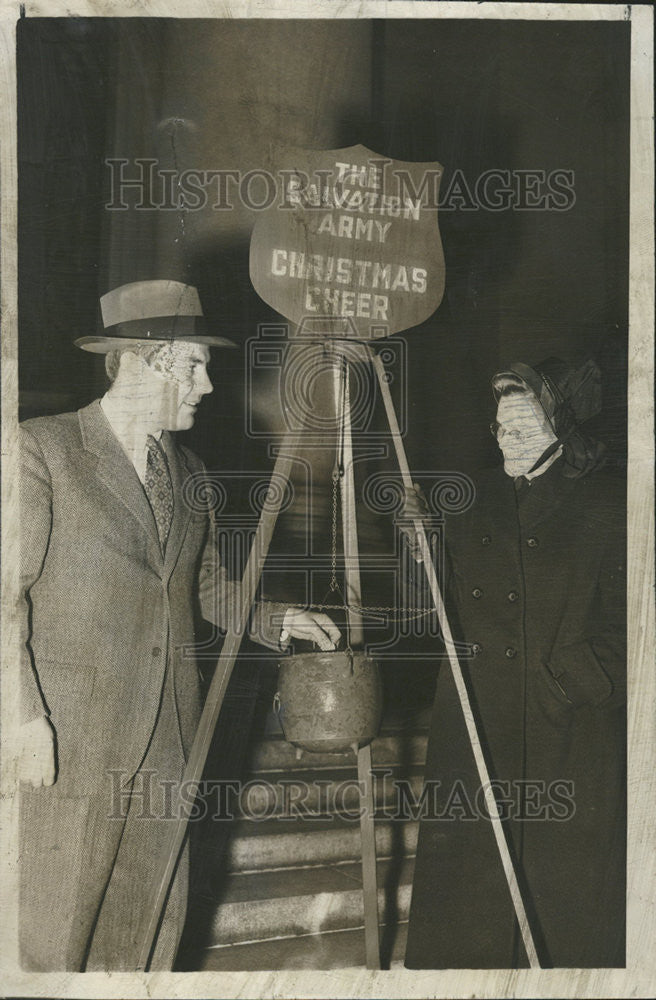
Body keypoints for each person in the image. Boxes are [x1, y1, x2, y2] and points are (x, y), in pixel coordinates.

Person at [17, 279, 340, 971]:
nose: (208, 385)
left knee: (146, 934)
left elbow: (207, 591)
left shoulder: (190, 471)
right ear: (146, 359)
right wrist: (22, 718)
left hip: (171, 739)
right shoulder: (39, 452)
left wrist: (281, 617)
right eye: (195, 364)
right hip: (71, 743)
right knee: (50, 937)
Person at [403, 357, 626, 968]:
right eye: (501, 427)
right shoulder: (472, 498)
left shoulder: (609, 500)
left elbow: (633, 624)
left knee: (560, 904)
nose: (508, 439)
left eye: (524, 425)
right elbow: (436, 616)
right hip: (477, 725)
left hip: (567, 729)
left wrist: (566, 683)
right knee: (471, 906)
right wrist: (418, 545)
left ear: (563, 430)